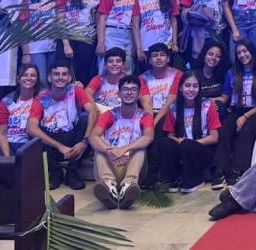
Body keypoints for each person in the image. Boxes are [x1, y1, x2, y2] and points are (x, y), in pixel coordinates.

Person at [27, 61, 97, 190]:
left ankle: (72, 171)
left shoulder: (76, 90)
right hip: (52, 145)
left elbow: (92, 112)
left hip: (74, 142)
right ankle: (56, 171)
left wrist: (84, 142)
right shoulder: (41, 99)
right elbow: (31, 128)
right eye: (56, 74)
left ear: (69, 78)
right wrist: (60, 147)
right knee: (34, 133)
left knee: (86, 120)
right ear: (49, 77)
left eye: (64, 74)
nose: (60, 77)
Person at [212, 38, 256, 188]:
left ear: (251, 51)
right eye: (238, 52)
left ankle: (238, 170)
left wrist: (246, 116)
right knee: (225, 127)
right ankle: (220, 170)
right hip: (236, 109)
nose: (242, 55)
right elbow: (225, 96)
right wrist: (208, 100)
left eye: (245, 51)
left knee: (246, 129)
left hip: (255, 111)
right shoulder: (231, 73)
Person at [89, 75, 154, 209]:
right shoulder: (109, 115)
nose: (129, 93)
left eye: (133, 89)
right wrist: (110, 152)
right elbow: (93, 136)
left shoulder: (144, 116)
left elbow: (149, 137)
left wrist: (123, 149)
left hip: (132, 167)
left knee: (140, 148)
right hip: (110, 164)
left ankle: (128, 186)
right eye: (125, 89)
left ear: (139, 95)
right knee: (99, 148)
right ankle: (109, 186)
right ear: (118, 94)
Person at [159, 70, 221, 193]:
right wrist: (179, 141)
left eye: (195, 86)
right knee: (165, 143)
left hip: (202, 149)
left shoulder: (208, 105)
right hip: (182, 145)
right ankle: (173, 179)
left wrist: (190, 143)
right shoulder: (174, 108)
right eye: (187, 86)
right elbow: (170, 135)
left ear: (199, 88)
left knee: (187, 145)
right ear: (180, 88)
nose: (191, 89)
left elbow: (214, 137)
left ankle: (194, 180)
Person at [139, 43, 183, 187]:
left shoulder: (177, 75)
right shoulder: (142, 78)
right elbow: (146, 102)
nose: (158, 58)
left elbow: (171, 102)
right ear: (149, 60)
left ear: (168, 58)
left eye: (162, 55)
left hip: (171, 113)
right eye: (155, 56)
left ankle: (152, 171)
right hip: (149, 113)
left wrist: (154, 122)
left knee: (159, 127)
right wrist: (149, 122)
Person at [0, 63, 42, 157]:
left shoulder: (42, 98)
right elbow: (1, 133)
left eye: (33, 75)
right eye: (25, 75)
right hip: (8, 143)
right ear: (18, 79)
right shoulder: (7, 101)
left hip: (30, 144)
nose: (29, 78)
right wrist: (7, 157)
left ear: (37, 79)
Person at [56, 0, 102, 85]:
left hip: (87, 39)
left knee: (83, 75)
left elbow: (100, 20)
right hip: (67, 38)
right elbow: (60, 19)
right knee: (63, 75)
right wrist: (66, 44)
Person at [132, 0, 180, 67]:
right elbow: (135, 24)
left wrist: (175, 43)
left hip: (166, 44)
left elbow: (173, 21)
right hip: (146, 44)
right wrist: (139, 48)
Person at [96, 0, 137, 75]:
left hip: (130, 34)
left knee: (127, 71)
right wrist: (101, 42)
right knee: (106, 70)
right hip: (112, 33)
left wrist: (137, 42)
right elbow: (102, 19)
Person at [20, 0, 59, 78]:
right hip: (34, 48)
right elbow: (23, 27)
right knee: (40, 81)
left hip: (54, 47)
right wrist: (25, 53)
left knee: (53, 80)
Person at [196, 41, 231, 118]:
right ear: (204, 55)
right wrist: (206, 104)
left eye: (218, 56)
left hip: (217, 109)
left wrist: (210, 102)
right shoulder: (193, 75)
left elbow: (224, 98)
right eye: (210, 54)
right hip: (197, 108)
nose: (213, 58)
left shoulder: (223, 75)